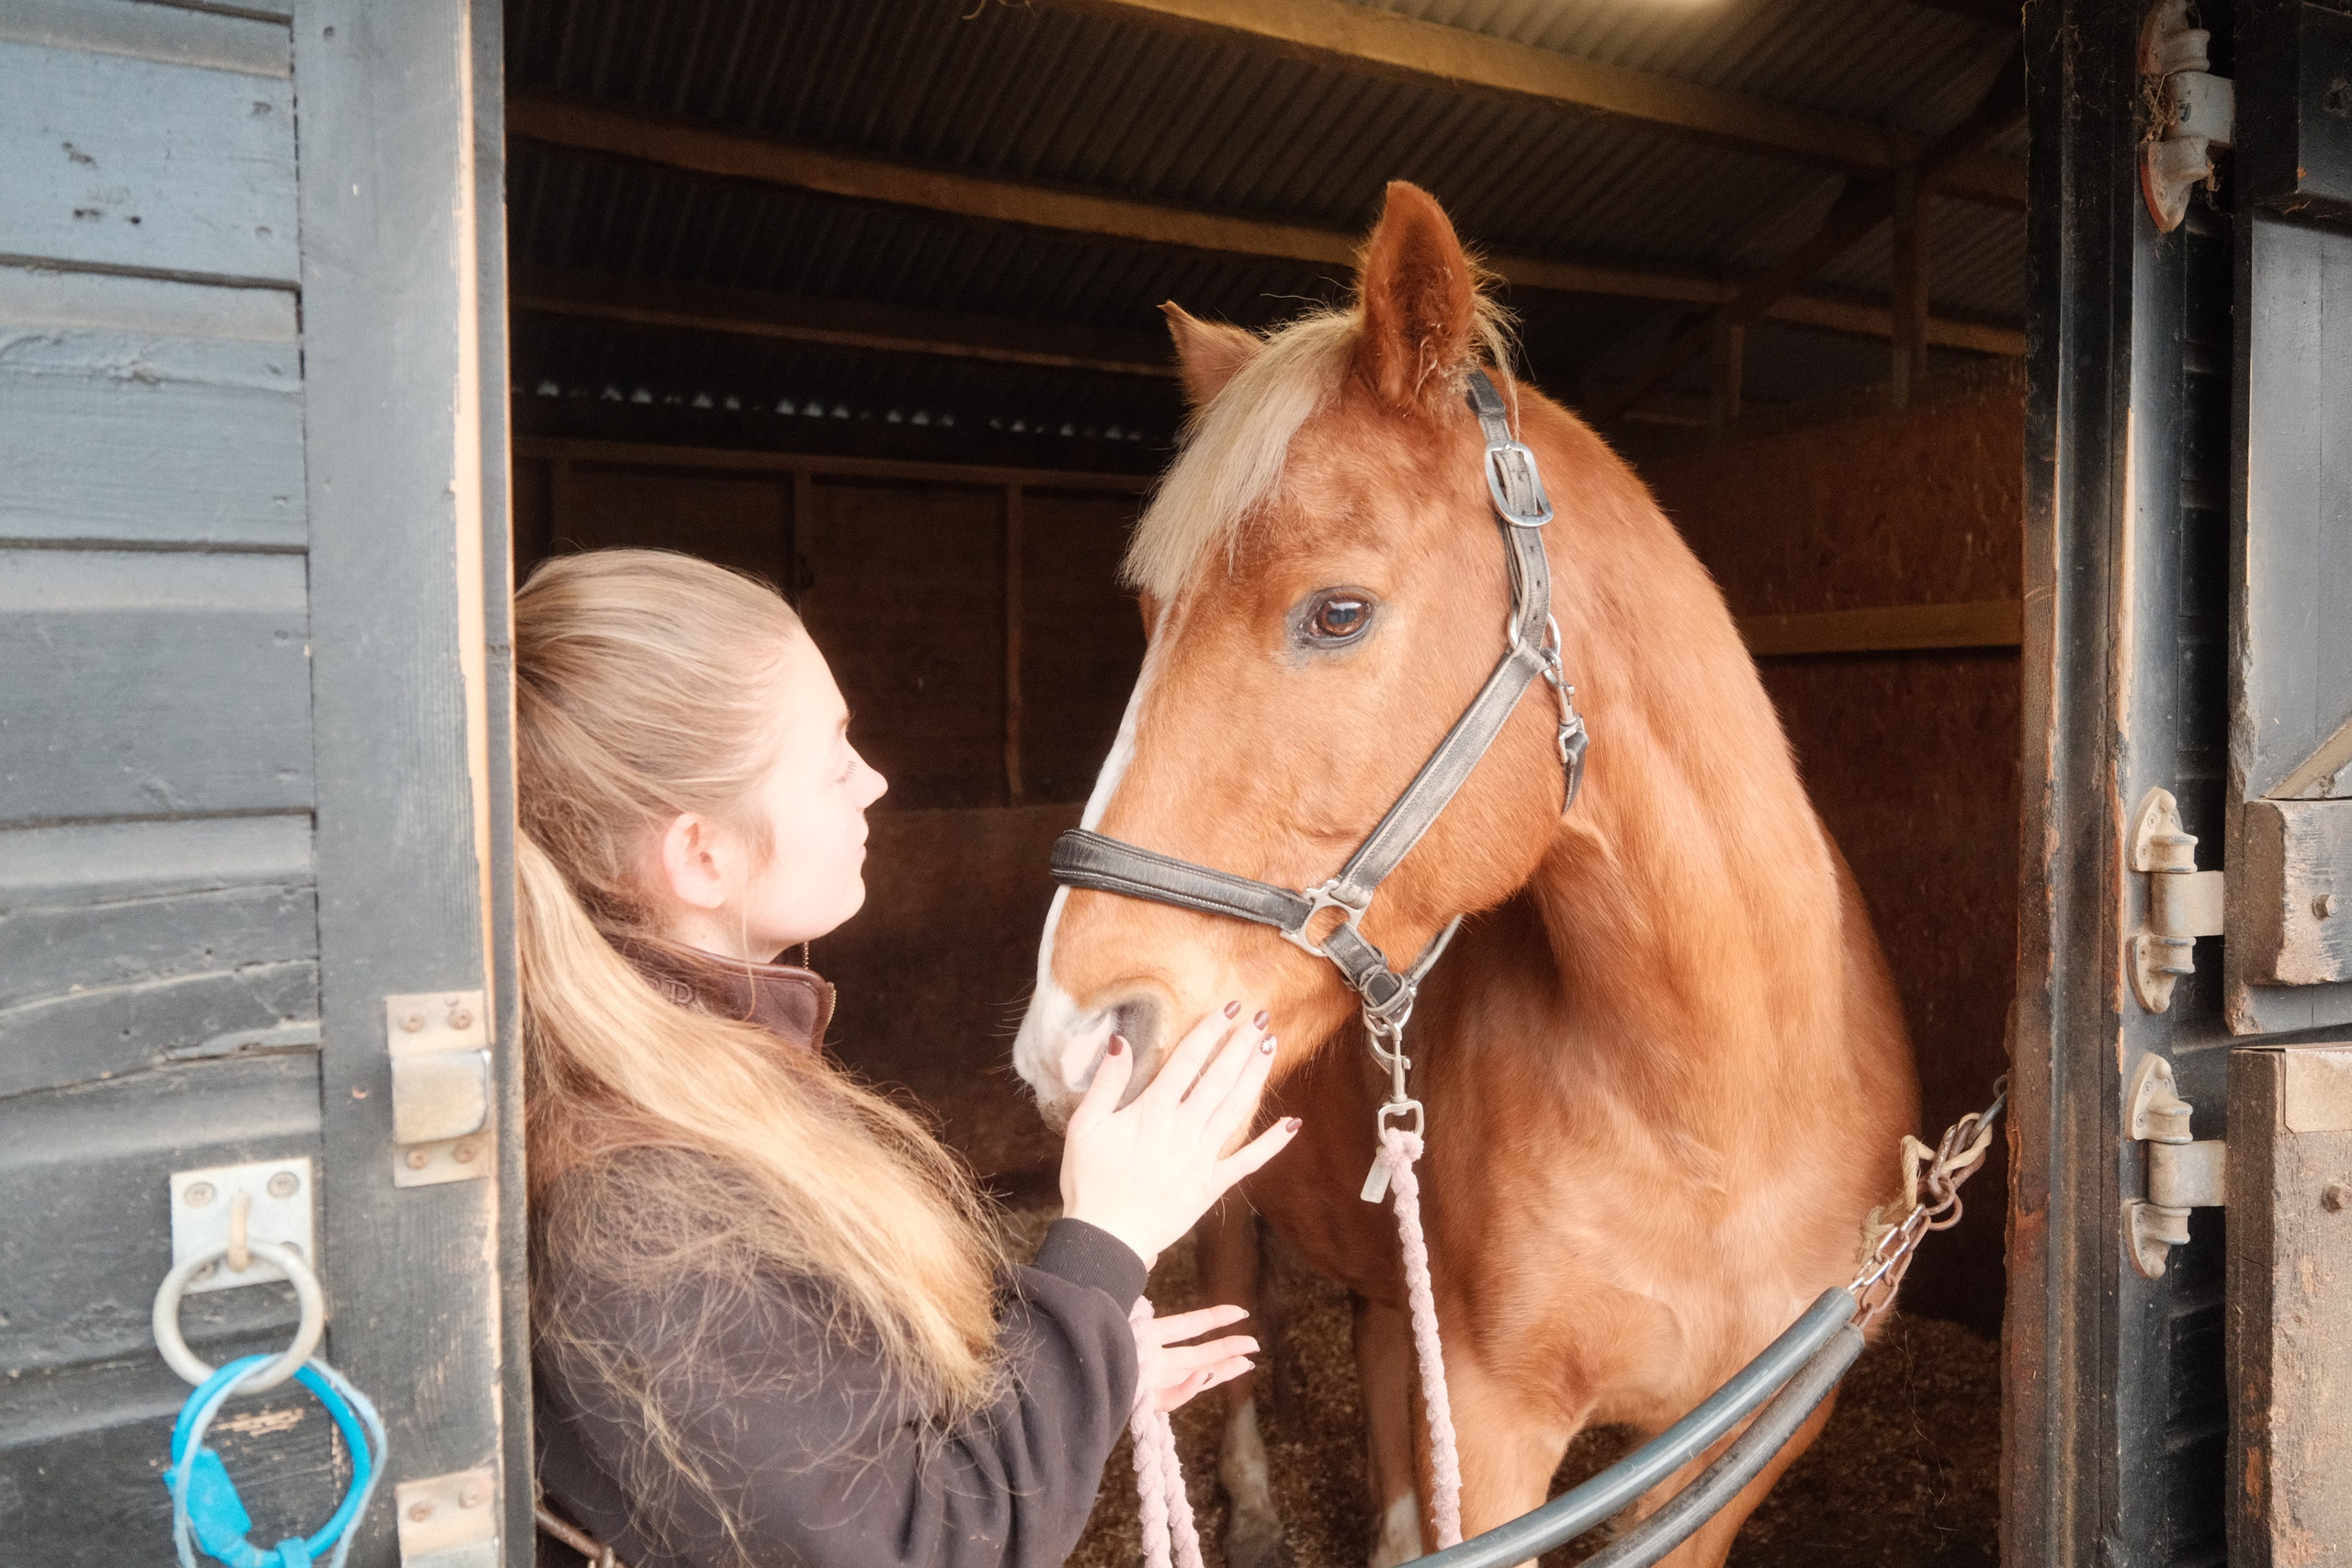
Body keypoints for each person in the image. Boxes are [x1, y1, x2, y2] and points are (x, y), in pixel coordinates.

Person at [516, 548, 1298, 1568]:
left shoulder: (692, 1072)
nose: (873, 780)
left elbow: (832, 1431)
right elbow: (917, 1545)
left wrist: (1076, 1373)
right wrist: (1112, 1230)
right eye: (832, 755)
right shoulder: (636, 1210)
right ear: (701, 855)